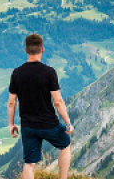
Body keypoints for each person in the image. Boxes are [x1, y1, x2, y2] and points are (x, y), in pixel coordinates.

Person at [8, 33, 74, 179]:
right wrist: (68, 123)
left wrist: (11, 124)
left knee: (29, 164)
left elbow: (11, 102)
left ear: (25, 50)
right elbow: (58, 102)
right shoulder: (49, 72)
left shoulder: (17, 73)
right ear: (42, 49)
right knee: (65, 145)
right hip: (49, 124)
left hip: (28, 126)